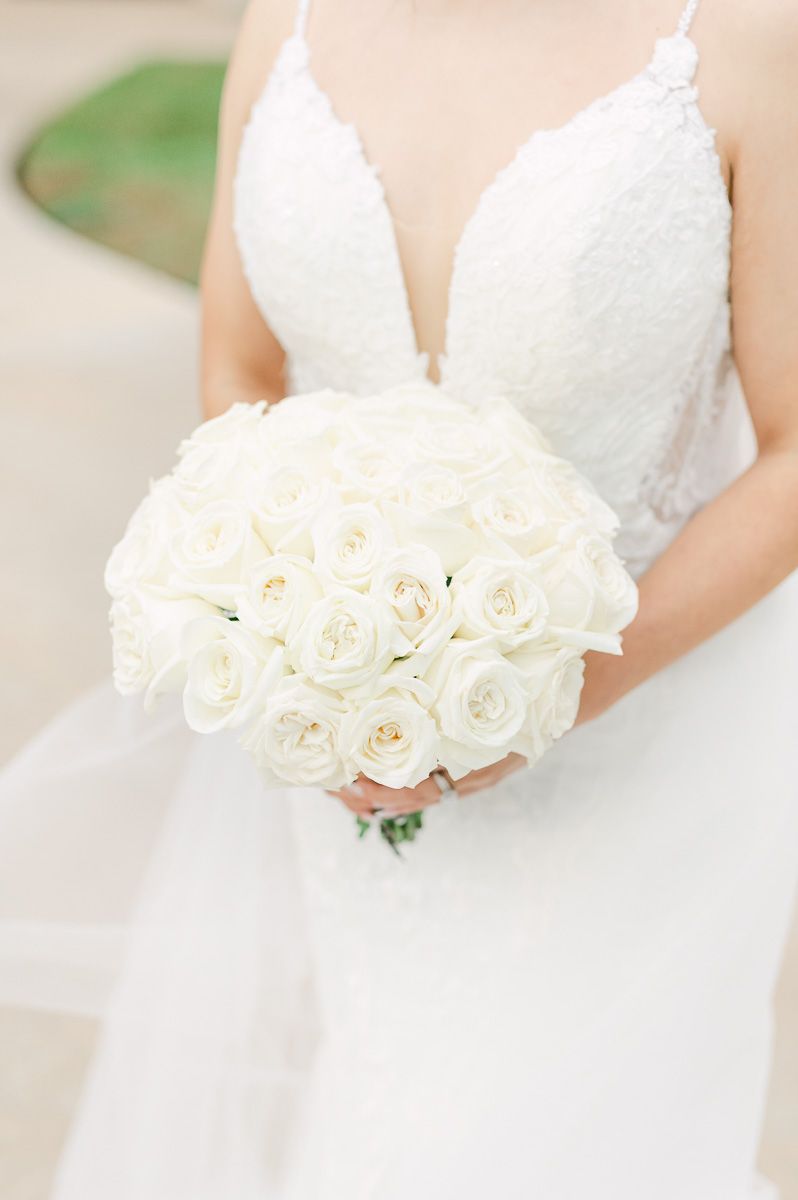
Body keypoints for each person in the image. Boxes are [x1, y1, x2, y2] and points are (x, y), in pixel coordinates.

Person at [1, 0, 797, 1195]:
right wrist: (303, 639)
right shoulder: (289, 24)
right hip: (354, 752)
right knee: (394, 1102)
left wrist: (548, 690)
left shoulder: (743, 39)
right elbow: (243, 364)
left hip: (652, 735)